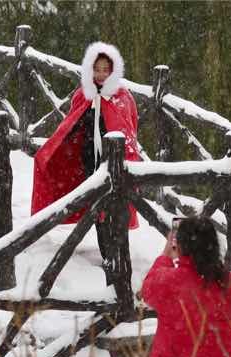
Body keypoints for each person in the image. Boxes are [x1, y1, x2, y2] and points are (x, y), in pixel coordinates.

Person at [32, 42, 140, 283]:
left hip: (114, 162)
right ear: (90, 70)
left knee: (115, 207)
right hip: (90, 161)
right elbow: (71, 125)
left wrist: (127, 158)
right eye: (97, 69)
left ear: (113, 71)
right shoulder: (83, 95)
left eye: (106, 70)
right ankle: (107, 255)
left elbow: (130, 129)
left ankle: (118, 259)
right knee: (97, 208)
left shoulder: (122, 98)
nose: (101, 74)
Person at [142, 217, 231, 357]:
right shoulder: (229, 283)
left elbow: (147, 289)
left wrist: (165, 255)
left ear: (180, 246)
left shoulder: (167, 281)